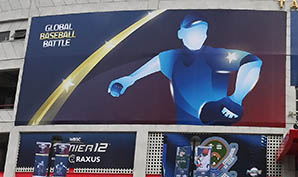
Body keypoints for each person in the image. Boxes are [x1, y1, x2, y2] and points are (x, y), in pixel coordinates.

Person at [108, 14, 263, 125]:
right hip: (182, 131)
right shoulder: (171, 57)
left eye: (202, 31)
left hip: (215, 129)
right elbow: (151, 67)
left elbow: (252, 62)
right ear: (181, 33)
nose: (199, 35)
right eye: (194, 31)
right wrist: (129, 79)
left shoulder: (214, 56)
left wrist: (236, 99)